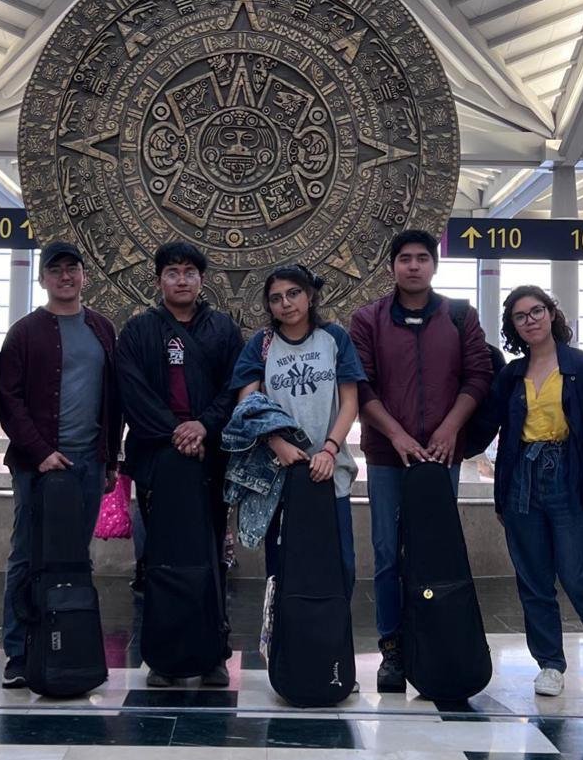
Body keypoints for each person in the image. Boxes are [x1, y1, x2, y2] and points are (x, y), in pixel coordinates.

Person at [349, 228, 493, 692]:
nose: (413, 266)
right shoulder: (367, 319)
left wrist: (450, 429)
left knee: (434, 552)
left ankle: (435, 642)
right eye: (405, 258)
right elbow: (360, 384)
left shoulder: (460, 315)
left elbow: (478, 375)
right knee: (387, 552)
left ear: (434, 265)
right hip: (388, 457)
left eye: (422, 258)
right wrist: (396, 435)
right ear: (392, 266)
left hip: (441, 456)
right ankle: (392, 648)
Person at [487, 285, 583, 699]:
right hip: (521, 478)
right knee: (533, 580)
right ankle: (550, 663)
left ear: (551, 314)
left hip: (569, 474)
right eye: (520, 316)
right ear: (513, 326)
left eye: (537, 311)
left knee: (577, 575)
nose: (530, 320)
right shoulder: (512, 374)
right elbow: (494, 428)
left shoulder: (580, 366)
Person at [115, 241, 244, 687]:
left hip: (211, 457)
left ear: (202, 280)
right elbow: (132, 392)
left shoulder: (223, 329)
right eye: (173, 272)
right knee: (159, 556)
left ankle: (214, 653)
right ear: (159, 281)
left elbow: (236, 388)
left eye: (190, 272)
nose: (182, 280)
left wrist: (203, 426)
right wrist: (176, 432)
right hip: (158, 458)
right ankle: (165, 655)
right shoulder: (138, 331)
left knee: (212, 551)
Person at [0, 241, 121, 691]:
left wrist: (111, 458)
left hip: (90, 462)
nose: (65, 277)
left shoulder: (102, 328)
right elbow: (7, 400)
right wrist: (40, 452)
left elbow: (113, 398)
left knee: (75, 557)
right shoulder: (25, 332)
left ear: (84, 275)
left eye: (72, 268)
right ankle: (18, 652)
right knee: (27, 554)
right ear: (42, 278)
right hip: (39, 466)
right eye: (56, 270)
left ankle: (68, 645)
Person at [229, 265, 365, 597]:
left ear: (310, 296)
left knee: (340, 564)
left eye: (293, 294)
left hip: (330, 469)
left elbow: (350, 402)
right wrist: (276, 443)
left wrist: (329, 449)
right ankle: (281, 629)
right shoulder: (261, 345)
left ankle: (333, 628)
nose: (286, 303)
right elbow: (247, 406)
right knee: (283, 567)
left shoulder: (334, 338)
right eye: (276, 298)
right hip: (279, 472)